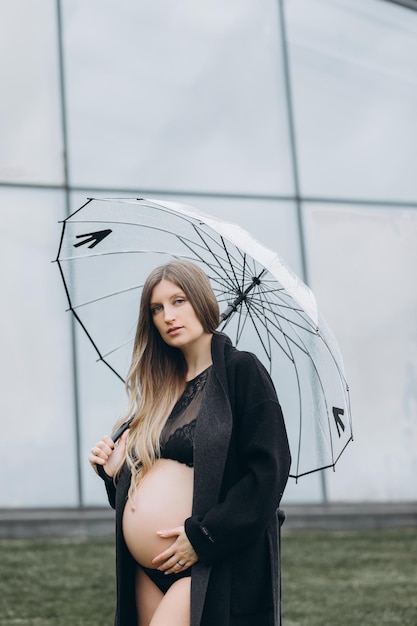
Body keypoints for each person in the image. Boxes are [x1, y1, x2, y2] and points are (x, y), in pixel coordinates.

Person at [89, 259, 291, 626]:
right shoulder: (162, 387)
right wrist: (116, 474)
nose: (168, 315)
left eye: (178, 301)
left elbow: (268, 473)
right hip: (145, 568)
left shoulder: (240, 372)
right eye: (157, 308)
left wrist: (204, 537)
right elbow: (148, 487)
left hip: (206, 560)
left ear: (201, 301)